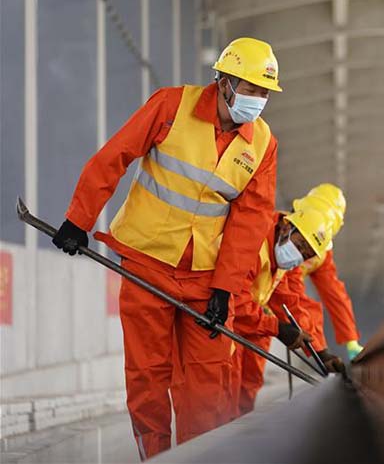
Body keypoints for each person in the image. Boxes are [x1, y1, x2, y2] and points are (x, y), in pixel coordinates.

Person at [51, 37, 282, 459]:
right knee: (148, 379)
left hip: (206, 279)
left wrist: (226, 288)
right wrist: (78, 220)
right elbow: (115, 156)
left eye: (264, 92)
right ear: (225, 82)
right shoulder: (172, 106)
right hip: (147, 264)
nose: (258, 100)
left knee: (206, 388)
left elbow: (252, 221)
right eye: (251, 89)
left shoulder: (262, 145)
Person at [227, 206, 337, 419]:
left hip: (243, 325)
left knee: (242, 396)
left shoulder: (281, 257)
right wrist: (276, 328)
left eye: (306, 254)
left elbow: (289, 302)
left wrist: (319, 352)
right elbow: (235, 301)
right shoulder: (255, 241)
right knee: (217, 402)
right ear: (287, 226)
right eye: (301, 245)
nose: (299, 255)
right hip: (226, 324)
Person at [292, 184, 364, 363]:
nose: (305, 251)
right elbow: (293, 297)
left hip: (265, 315)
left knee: (249, 376)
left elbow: (334, 295)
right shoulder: (281, 234)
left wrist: (351, 340)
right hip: (242, 305)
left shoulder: (320, 256)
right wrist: (320, 351)